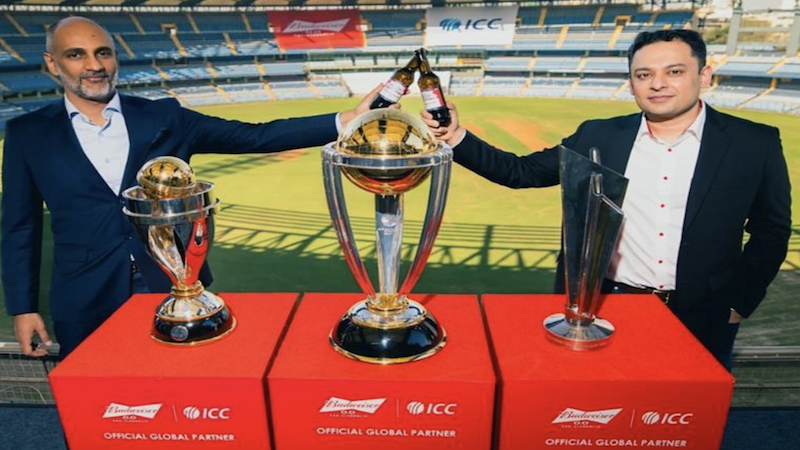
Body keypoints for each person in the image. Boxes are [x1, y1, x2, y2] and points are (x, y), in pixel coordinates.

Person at [1, 16, 379, 358]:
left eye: (103, 53)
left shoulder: (164, 117)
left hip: (171, 286)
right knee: (91, 400)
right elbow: (20, 226)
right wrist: (23, 308)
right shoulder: (27, 134)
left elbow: (254, 136)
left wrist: (344, 120)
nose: (94, 65)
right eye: (76, 55)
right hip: (83, 295)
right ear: (53, 63)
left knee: (181, 396)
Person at [422, 29, 791, 369]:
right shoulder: (598, 135)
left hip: (705, 314)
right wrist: (454, 135)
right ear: (631, 84)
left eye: (675, 72)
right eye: (643, 75)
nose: (657, 84)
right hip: (605, 307)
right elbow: (520, 172)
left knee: (690, 414)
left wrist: (739, 302)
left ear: (705, 75)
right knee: (597, 409)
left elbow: (771, 230)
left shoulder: (754, 143)